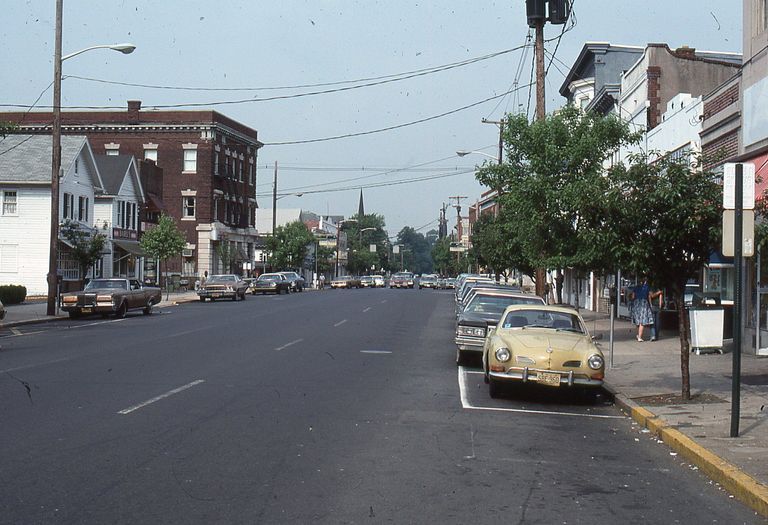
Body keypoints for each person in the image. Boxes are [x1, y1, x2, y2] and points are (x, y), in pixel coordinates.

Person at [629, 277, 654, 342]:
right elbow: (651, 295)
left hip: (636, 303)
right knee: (642, 321)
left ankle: (638, 335)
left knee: (637, 321)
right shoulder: (647, 287)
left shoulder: (636, 287)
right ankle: (639, 337)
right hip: (644, 303)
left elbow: (633, 297)